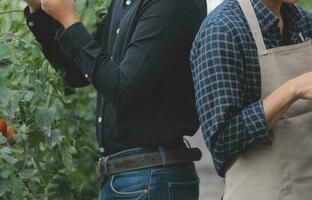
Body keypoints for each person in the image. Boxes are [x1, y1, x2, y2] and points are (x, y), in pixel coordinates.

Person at [190, 0, 312, 199]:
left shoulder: (300, 20)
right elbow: (223, 141)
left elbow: (302, 116)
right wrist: (292, 89)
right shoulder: (222, 30)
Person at [24, 0, 206, 199]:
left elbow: (124, 90)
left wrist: (70, 20)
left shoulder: (170, 4)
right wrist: (38, 10)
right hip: (124, 177)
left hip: (151, 177)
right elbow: (78, 72)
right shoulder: (123, 3)